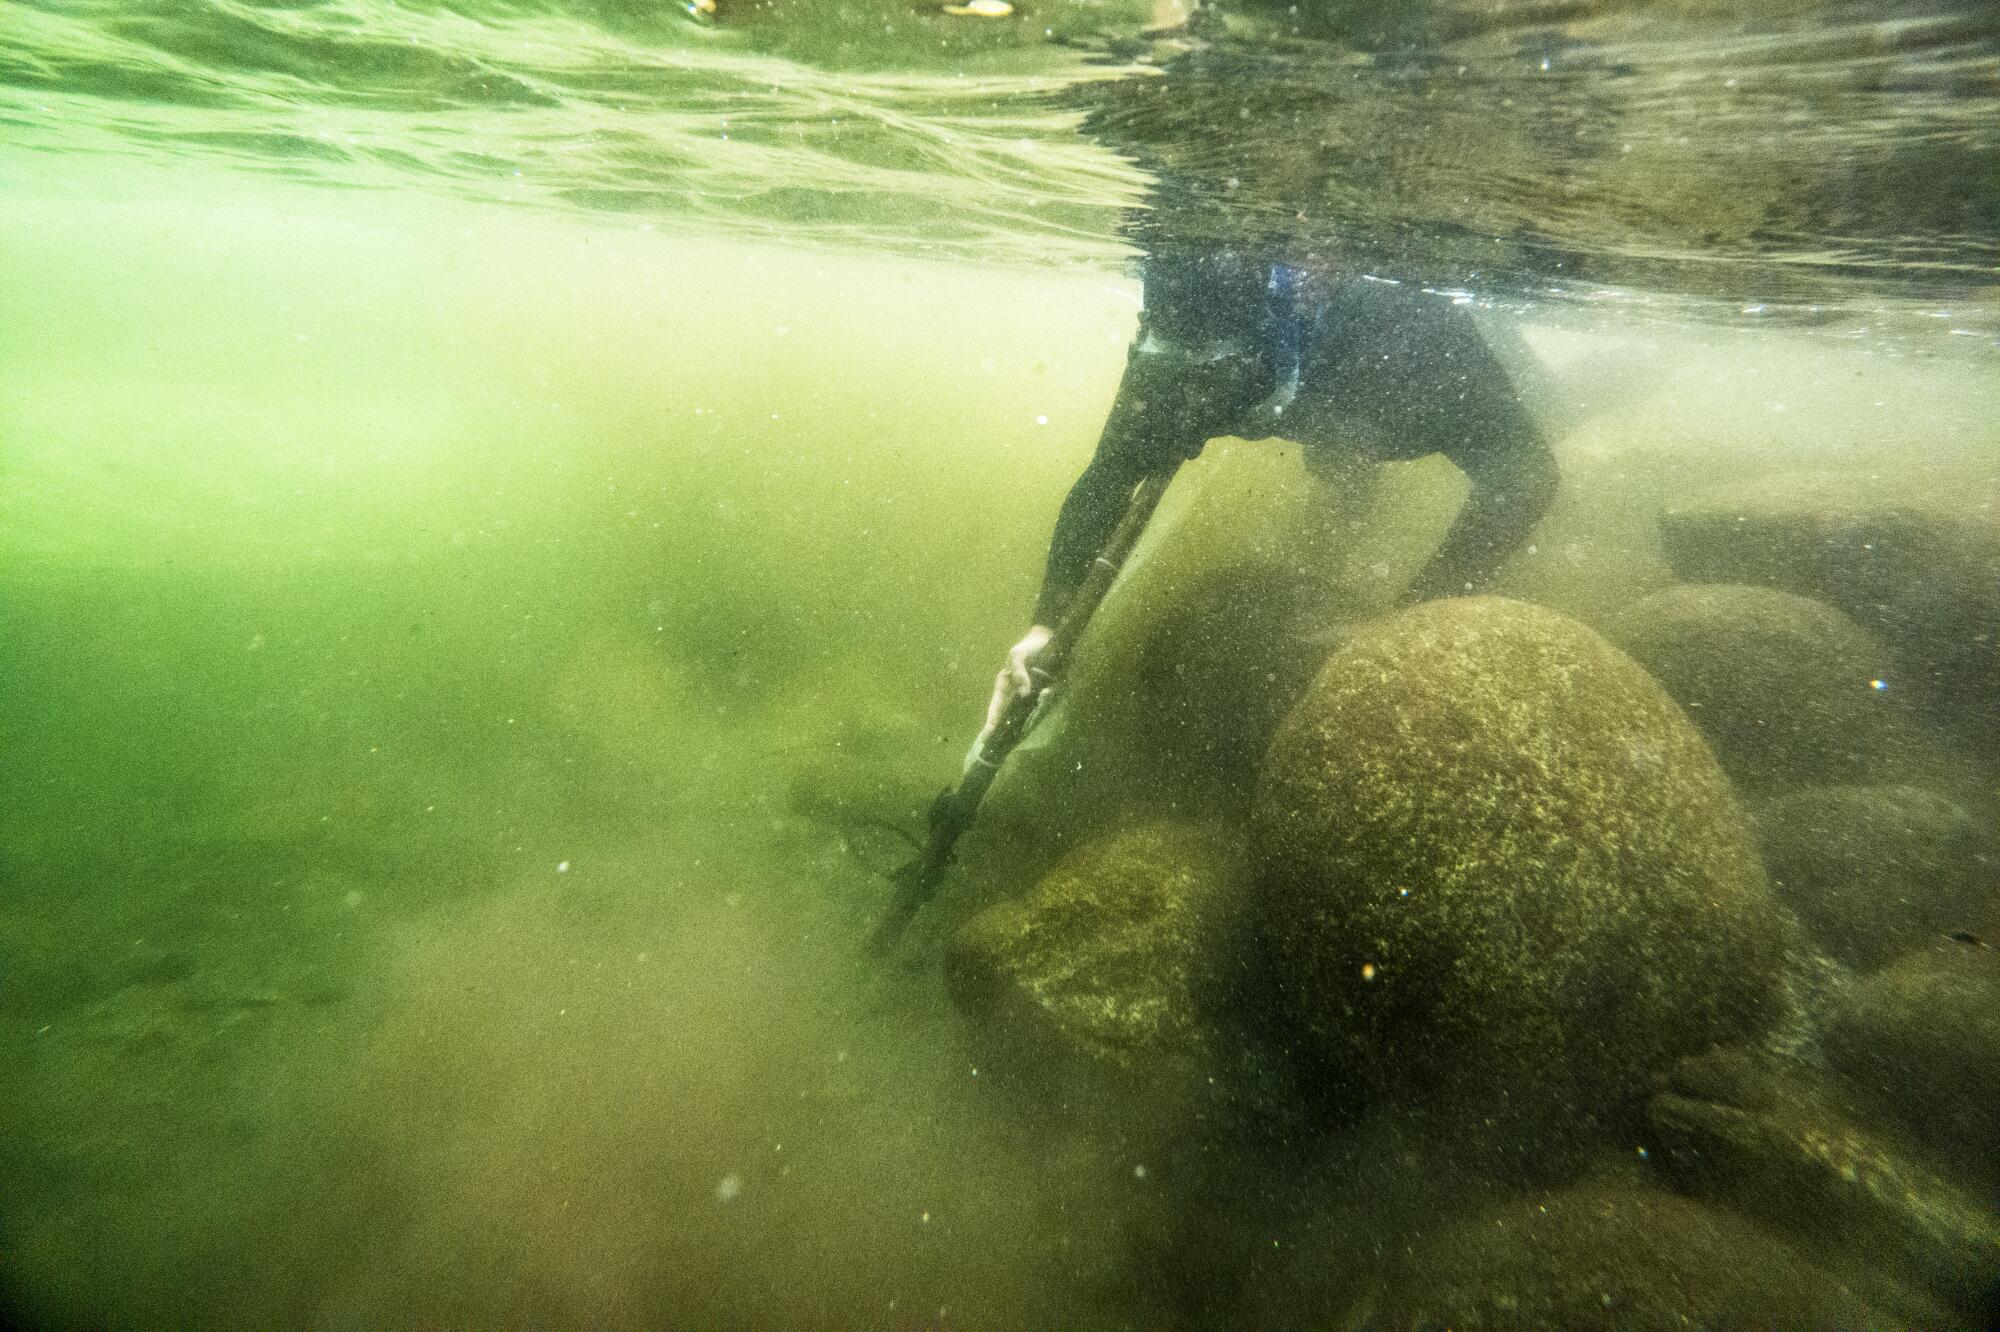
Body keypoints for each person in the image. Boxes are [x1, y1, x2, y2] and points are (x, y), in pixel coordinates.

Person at [976, 245, 1559, 746]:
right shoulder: (1181, 346)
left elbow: (1525, 475)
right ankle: (1343, 461)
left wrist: (1408, 621)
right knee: (1335, 459)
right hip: (1334, 405)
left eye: (1211, 370)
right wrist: (1045, 626)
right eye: (1163, 349)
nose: (1185, 396)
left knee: (1544, 405)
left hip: (1396, 385)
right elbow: (1106, 479)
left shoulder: (1411, 344)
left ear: (1294, 320)